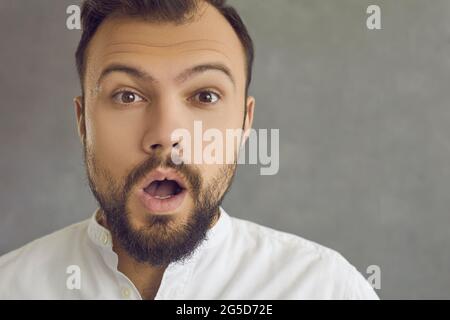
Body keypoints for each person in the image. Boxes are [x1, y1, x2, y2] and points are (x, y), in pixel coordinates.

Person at [0, 0, 379, 299]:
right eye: (127, 95)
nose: (166, 135)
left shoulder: (325, 290)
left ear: (245, 123)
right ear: (83, 122)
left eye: (204, 95)